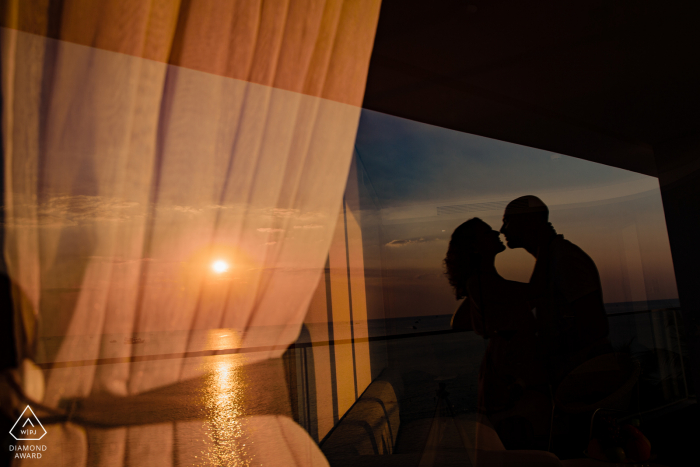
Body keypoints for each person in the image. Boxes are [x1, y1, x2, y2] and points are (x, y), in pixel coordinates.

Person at [445, 218, 550, 449]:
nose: (495, 232)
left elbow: (461, 322)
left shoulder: (485, 284)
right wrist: (545, 245)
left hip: (507, 374)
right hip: (507, 380)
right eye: (487, 231)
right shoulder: (481, 284)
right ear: (475, 246)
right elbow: (537, 291)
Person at [499, 196, 611, 386]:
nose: (502, 229)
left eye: (507, 221)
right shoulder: (554, 258)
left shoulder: (564, 259)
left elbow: (594, 324)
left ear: (529, 221)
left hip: (581, 378)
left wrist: (546, 352)